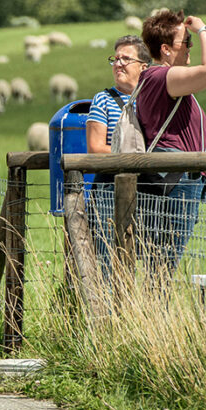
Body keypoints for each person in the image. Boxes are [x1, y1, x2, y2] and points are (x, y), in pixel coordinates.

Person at [133, 9, 206, 275]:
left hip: (169, 177)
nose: (190, 48)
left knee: (159, 261)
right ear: (165, 49)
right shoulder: (164, 77)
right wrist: (204, 30)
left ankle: (149, 312)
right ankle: (154, 313)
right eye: (186, 43)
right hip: (177, 179)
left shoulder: (153, 79)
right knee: (164, 263)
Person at [83, 35, 151, 277]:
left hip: (147, 191)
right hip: (108, 192)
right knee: (106, 261)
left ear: (144, 66)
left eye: (126, 58)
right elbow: (95, 148)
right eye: (115, 59)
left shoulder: (152, 99)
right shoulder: (103, 100)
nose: (118, 63)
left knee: (147, 257)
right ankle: (107, 314)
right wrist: (134, 160)